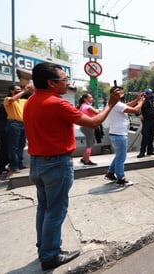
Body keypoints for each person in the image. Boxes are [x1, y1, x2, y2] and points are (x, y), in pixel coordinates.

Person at [23, 62, 120, 271]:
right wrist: (110, 104)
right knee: (56, 210)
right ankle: (50, 255)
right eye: (64, 80)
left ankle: (44, 246)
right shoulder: (58, 104)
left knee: (44, 207)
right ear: (51, 83)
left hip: (37, 163)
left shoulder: (30, 101)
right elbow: (94, 122)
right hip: (56, 163)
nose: (67, 83)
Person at [105, 86, 146, 184]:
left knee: (118, 155)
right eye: (119, 92)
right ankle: (121, 178)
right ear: (113, 94)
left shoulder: (114, 103)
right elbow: (135, 110)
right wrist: (141, 102)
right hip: (119, 134)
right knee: (121, 158)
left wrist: (137, 99)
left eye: (122, 91)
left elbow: (128, 105)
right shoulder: (118, 105)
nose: (121, 93)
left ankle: (110, 173)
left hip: (115, 133)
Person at [4, 84, 31, 172]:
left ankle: (20, 164)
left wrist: (32, 89)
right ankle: (14, 166)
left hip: (23, 124)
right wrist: (24, 91)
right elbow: (12, 99)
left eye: (20, 89)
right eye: (17, 90)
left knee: (21, 145)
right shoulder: (7, 99)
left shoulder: (23, 101)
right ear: (11, 91)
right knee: (13, 146)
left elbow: (33, 98)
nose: (19, 91)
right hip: (13, 124)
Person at [76, 93, 101, 165]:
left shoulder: (82, 106)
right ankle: (87, 160)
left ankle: (84, 158)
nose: (92, 99)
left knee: (91, 143)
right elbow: (97, 113)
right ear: (85, 99)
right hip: (88, 127)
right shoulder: (87, 107)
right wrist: (100, 110)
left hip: (84, 127)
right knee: (89, 145)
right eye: (90, 97)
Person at [137, 88, 154, 158]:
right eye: (150, 93)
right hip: (146, 120)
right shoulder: (143, 101)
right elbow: (136, 108)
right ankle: (142, 152)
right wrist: (139, 115)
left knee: (151, 136)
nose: (152, 94)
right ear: (147, 94)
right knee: (145, 136)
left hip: (153, 120)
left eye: (152, 93)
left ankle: (150, 151)